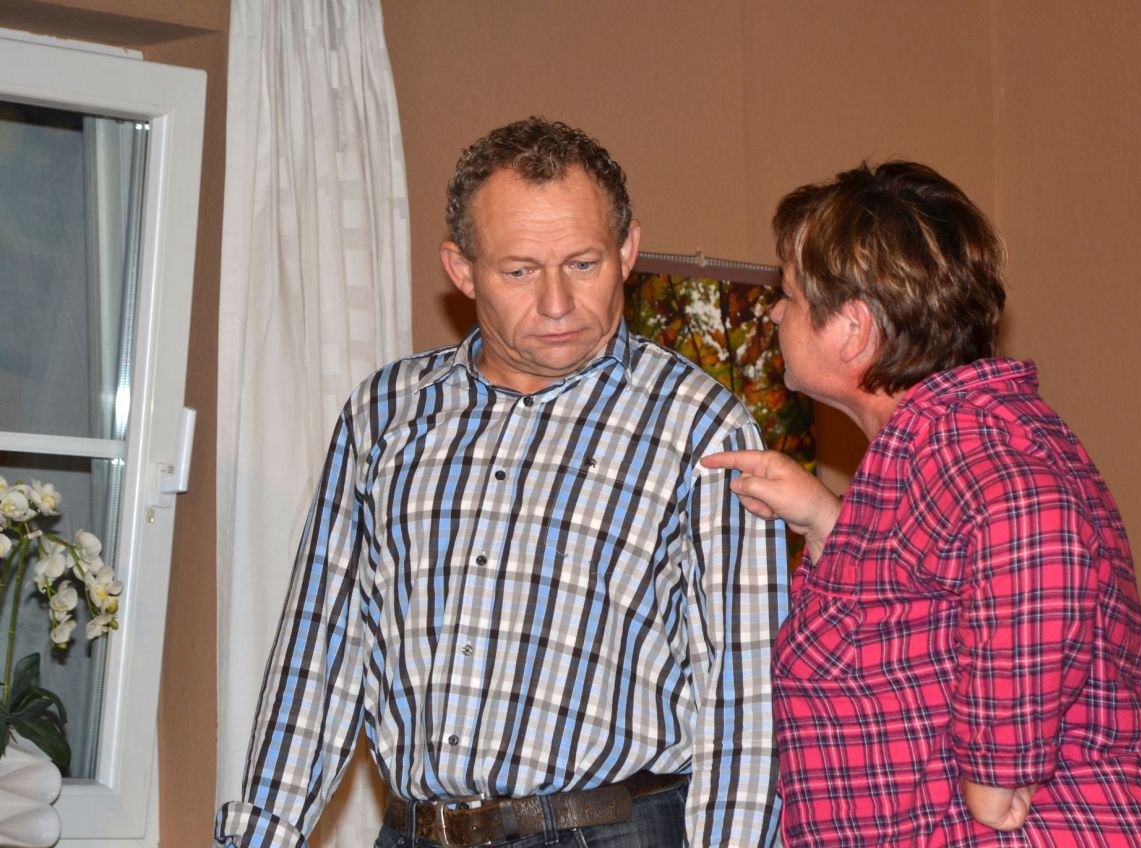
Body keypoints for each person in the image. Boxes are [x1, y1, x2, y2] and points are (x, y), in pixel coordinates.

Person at [214, 117, 788, 848]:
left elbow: (745, 694)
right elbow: (320, 652)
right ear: (462, 269)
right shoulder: (384, 413)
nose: (557, 303)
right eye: (519, 271)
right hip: (415, 831)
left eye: (583, 264)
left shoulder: (699, 425)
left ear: (627, 251)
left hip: (608, 830)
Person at [702, 161, 1141, 846]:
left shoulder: (958, 437)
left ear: (853, 329)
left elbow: (1035, 530)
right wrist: (824, 517)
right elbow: (924, 609)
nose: (773, 311)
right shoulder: (934, 446)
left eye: (788, 294)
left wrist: (997, 770)